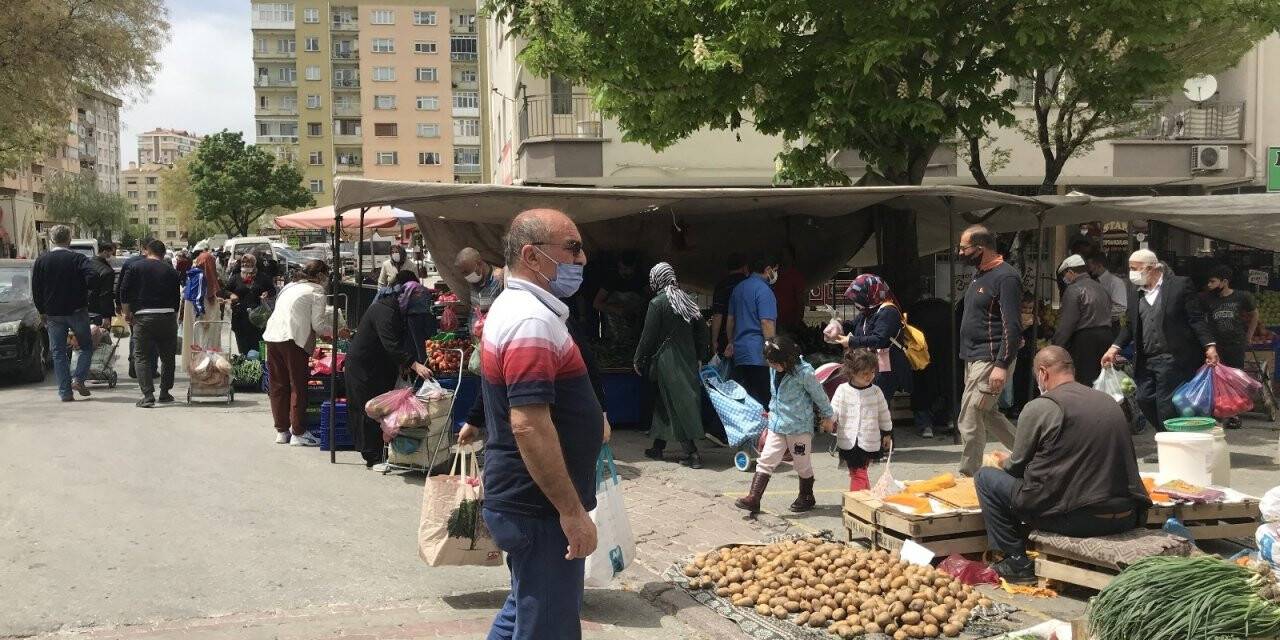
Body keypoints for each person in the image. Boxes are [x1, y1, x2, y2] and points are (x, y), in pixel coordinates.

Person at [475, 208, 602, 639]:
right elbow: (528, 425)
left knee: (523, 609)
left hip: (527, 501)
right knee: (547, 625)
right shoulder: (530, 319)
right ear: (531, 255)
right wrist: (571, 512)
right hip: (540, 508)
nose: (582, 260)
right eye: (572, 248)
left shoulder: (522, 309)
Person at [975, 346, 1150, 583]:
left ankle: (1015, 561)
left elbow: (1016, 467)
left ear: (1043, 373)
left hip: (1078, 519)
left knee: (985, 478)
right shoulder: (1108, 400)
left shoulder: (1041, 406)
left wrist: (1003, 461)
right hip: (1128, 514)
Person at [1102, 249, 1217, 435]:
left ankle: (1170, 446)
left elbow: (1195, 318)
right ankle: (1168, 436)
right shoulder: (1135, 292)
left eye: (1135, 268)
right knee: (1143, 398)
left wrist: (1209, 345)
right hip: (1146, 358)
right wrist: (1114, 347)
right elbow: (1130, 325)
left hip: (1172, 357)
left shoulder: (1179, 285)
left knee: (1165, 404)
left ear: (1152, 267)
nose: (1132, 273)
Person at [345, 270, 433, 468]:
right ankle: (372, 457)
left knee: (382, 408)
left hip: (379, 366)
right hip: (364, 367)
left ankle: (380, 452)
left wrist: (402, 364)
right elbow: (391, 344)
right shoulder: (384, 310)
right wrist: (413, 364)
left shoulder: (395, 309)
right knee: (368, 409)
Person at [735, 336, 833, 514]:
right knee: (766, 459)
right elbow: (775, 394)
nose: (772, 366)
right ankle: (754, 498)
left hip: (799, 428)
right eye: (770, 362)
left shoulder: (805, 373)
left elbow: (820, 396)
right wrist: (771, 410)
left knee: (801, 464)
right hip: (776, 425)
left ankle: (806, 496)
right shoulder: (774, 370)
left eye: (775, 363)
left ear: (787, 359)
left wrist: (828, 416)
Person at [955, 225, 1022, 477]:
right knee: (988, 413)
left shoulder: (1006, 277)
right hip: (972, 358)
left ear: (980, 249)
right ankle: (1031, 456)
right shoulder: (979, 274)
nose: (960, 252)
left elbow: (1012, 325)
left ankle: (969, 474)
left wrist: (1002, 365)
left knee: (970, 416)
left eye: (964, 248)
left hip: (990, 359)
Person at [634, 262, 709, 468]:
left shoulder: (657, 303)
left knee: (676, 404)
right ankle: (658, 448)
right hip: (688, 358)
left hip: (668, 361)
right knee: (664, 403)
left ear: (657, 279)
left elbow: (647, 336)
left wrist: (638, 358)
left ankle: (691, 453)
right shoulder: (687, 300)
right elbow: (703, 330)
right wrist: (702, 355)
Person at [263, 260, 338, 446]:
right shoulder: (317, 291)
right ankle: (298, 431)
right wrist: (336, 331)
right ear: (321, 276)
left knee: (278, 385)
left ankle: (282, 431)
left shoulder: (289, 286)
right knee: (297, 385)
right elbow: (319, 326)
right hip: (293, 339)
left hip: (273, 336)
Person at [30, 225, 99, 401]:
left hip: (52, 314)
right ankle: (78, 378)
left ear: (52, 240)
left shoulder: (41, 260)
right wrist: (85, 290)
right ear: (69, 239)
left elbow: (36, 289)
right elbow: (93, 276)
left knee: (58, 352)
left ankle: (65, 392)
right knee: (85, 346)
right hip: (77, 311)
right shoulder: (78, 258)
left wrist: (41, 310)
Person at [119, 239, 181, 408]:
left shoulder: (135, 267)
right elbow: (177, 298)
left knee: (141, 356)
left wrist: (127, 313)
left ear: (147, 251)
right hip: (167, 316)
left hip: (143, 317)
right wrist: (174, 317)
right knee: (168, 357)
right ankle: (165, 392)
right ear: (163, 253)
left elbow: (124, 292)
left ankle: (147, 396)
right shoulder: (171, 271)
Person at [835, 274, 913, 407]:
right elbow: (854, 325)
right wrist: (837, 325)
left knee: (876, 407)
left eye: (859, 298)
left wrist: (851, 341)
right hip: (870, 365)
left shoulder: (888, 312)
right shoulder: (868, 310)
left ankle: (880, 428)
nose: (856, 303)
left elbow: (879, 339)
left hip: (885, 369)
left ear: (870, 293)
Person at [1202, 265, 1258, 429]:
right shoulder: (1208, 299)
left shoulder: (1242, 297)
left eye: (1213, 282)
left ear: (1224, 282)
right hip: (1216, 347)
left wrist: (1249, 335)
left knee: (1235, 379)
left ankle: (1234, 414)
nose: (1210, 285)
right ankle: (1220, 411)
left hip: (1236, 344)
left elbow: (1255, 313)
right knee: (1218, 379)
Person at [830, 348, 893, 491]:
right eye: (865, 374)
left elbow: (884, 414)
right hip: (848, 441)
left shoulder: (876, 391)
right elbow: (834, 410)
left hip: (868, 440)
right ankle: (864, 499)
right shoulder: (842, 389)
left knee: (859, 473)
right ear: (852, 373)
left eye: (872, 373)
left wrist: (887, 433)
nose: (869, 377)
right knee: (858, 473)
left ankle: (857, 500)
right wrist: (829, 419)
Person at [1052, 254, 1114, 386]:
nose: (1064, 279)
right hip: (1107, 336)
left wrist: (1055, 347)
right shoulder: (1100, 287)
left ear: (1070, 272)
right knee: (1102, 380)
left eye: (1064, 275)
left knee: (1084, 381)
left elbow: (1067, 324)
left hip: (1086, 341)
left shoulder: (1073, 289)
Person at [726, 254, 780, 406]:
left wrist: (731, 342)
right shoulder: (764, 290)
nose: (775, 274)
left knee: (746, 401)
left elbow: (730, 320)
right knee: (763, 401)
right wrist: (772, 350)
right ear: (768, 269)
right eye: (775, 270)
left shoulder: (738, 289)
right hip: (759, 355)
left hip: (740, 354)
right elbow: (767, 322)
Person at [906, 297, 953, 438]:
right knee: (948, 387)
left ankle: (925, 426)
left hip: (921, 355)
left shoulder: (915, 311)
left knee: (921, 389)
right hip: (946, 354)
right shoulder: (947, 309)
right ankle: (951, 419)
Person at [220, 253, 277, 355]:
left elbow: (272, 290)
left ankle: (260, 368)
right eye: (243, 262)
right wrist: (231, 294)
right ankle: (246, 368)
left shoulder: (262, 277)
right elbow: (224, 291)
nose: (245, 264)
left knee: (259, 347)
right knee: (243, 348)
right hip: (240, 318)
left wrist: (266, 294)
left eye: (249, 262)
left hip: (258, 318)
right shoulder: (235, 278)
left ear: (254, 263)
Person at [710, 253, 749, 359]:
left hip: (726, 340)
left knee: (727, 373)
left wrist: (714, 341)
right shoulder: (750, 285)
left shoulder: (722, 286)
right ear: (744, 267)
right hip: (749, 338)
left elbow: (718, 315)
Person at [454, 246, 505, 315]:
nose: (466, 276)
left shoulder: (499, 278)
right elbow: (474, 310)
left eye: (466, 272)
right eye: (462, 273)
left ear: (479, 264)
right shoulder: (473, 281)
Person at [772, 248, 808, 335]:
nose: (782, 257)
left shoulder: (796, 276)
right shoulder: (774, 275)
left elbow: (800, 301)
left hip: (789, 323)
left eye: (784, 255)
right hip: (774, 321)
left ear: (791, 257)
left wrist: (797, 322)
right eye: (781, 255)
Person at [1087, 252, 1128, 327]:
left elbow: (1121, 307)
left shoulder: (1116, 282)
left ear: (1099, 265)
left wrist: (1098, 314)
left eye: (1090, 266)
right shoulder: (1094, 281)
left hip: (1112, 327)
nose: (1089, 269)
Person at [88, 242, 117, 327]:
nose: (113, 257)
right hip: (99, 311)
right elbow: (105, 295)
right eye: (111, 254)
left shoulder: (88, 264)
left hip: (84, 308)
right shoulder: (107, 271)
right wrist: (106, 316)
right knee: (101, 336)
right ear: (105, 252)